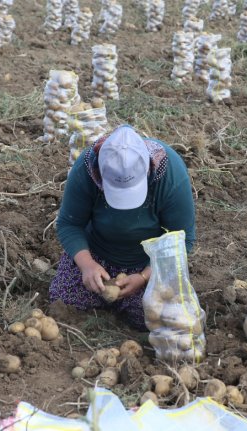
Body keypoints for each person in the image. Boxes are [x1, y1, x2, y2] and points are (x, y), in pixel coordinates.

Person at [50, 125, 196, 329]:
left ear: (146, 169)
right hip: (97, 254)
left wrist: (144, 276)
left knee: (161, 321)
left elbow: (183, 237)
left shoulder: (170, 172)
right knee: (63, 303)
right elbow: (69, 223)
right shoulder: (86, 167)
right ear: (100, 173)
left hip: (149, 262)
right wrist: (86, 265)